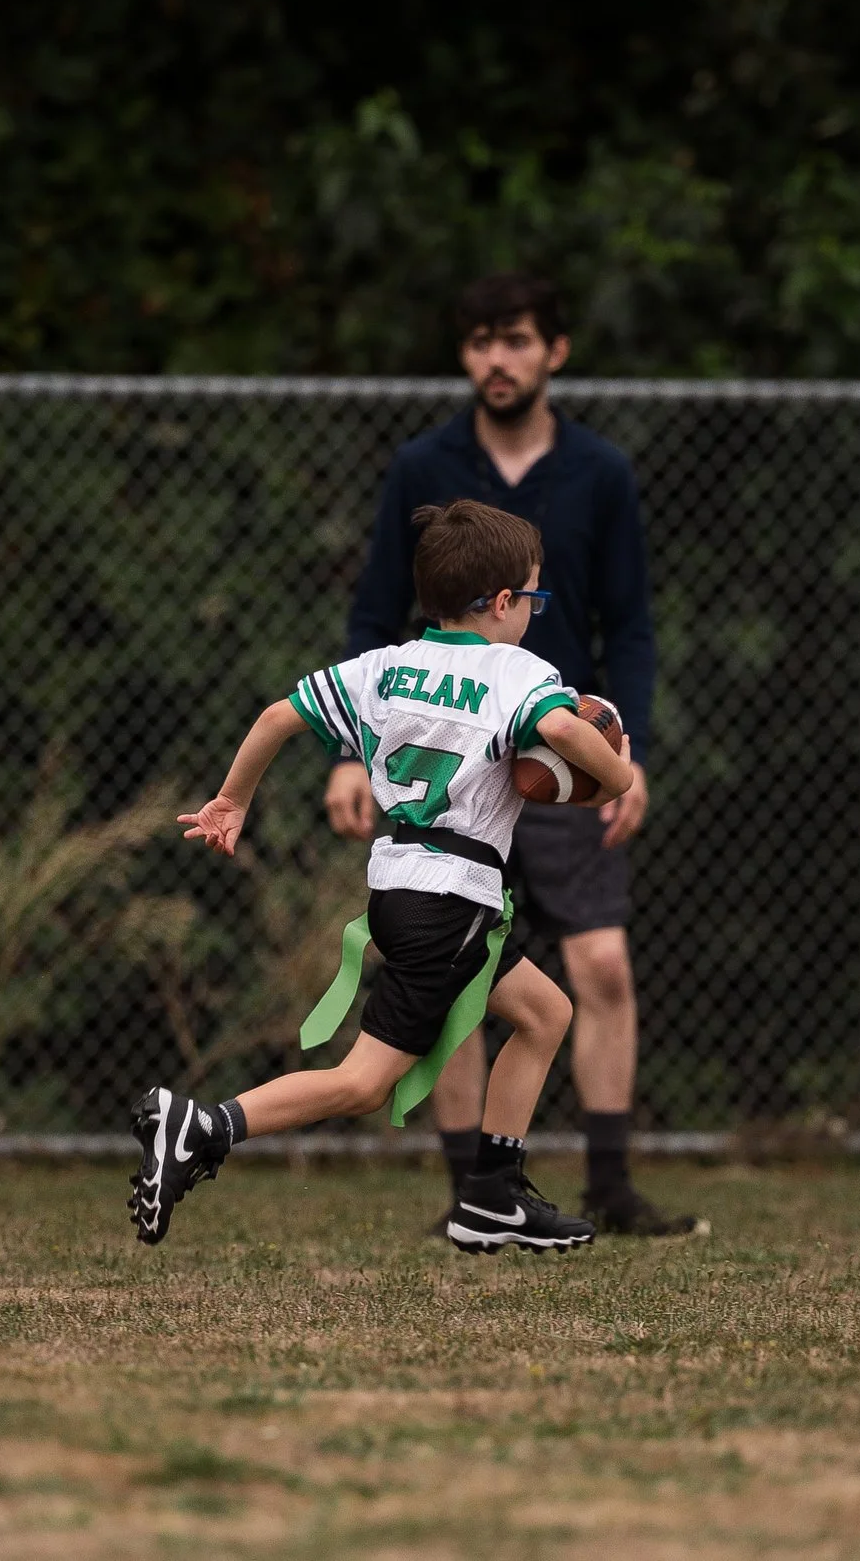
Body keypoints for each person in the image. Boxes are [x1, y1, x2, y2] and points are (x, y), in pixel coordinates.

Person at [130, 500, 636, 1252]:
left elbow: (277, 715)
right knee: (364, 1081)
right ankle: (204, 1126)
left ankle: (492, 1193)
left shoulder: (385, 667)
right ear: (502, 602)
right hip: (455, 899)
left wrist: (232, 799)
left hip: (400, 891)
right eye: (532, 597)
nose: (533, 612)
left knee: (545, 1011)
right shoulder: (518, 671)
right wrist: (618, 774)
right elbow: (563, 730)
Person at [329, 273, 696, 1237]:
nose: (499, 358)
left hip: (555, 756)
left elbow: (635, 628)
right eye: (482, 341)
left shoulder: (600, 472)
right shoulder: (424, 464)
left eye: (519, 340)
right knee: (459, 979)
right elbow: (375, 613)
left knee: (601, 969)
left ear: (555, 352)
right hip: (453, 755)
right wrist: (346, 755)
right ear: (466, 354)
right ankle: (476, 1195)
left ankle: (612, 1187)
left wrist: (630, 753)